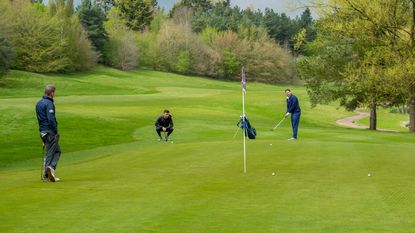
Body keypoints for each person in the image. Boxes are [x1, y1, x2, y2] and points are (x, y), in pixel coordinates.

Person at [36, 85, 61, 182]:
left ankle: (50, 169)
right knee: (50, 152)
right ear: (51, 93)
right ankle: (47, 173)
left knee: (57, 151)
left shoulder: (38, 103)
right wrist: (55, 131)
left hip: (42, 131)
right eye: (54, 92)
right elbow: (51, 119)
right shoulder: (49, 103)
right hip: (49, 131)